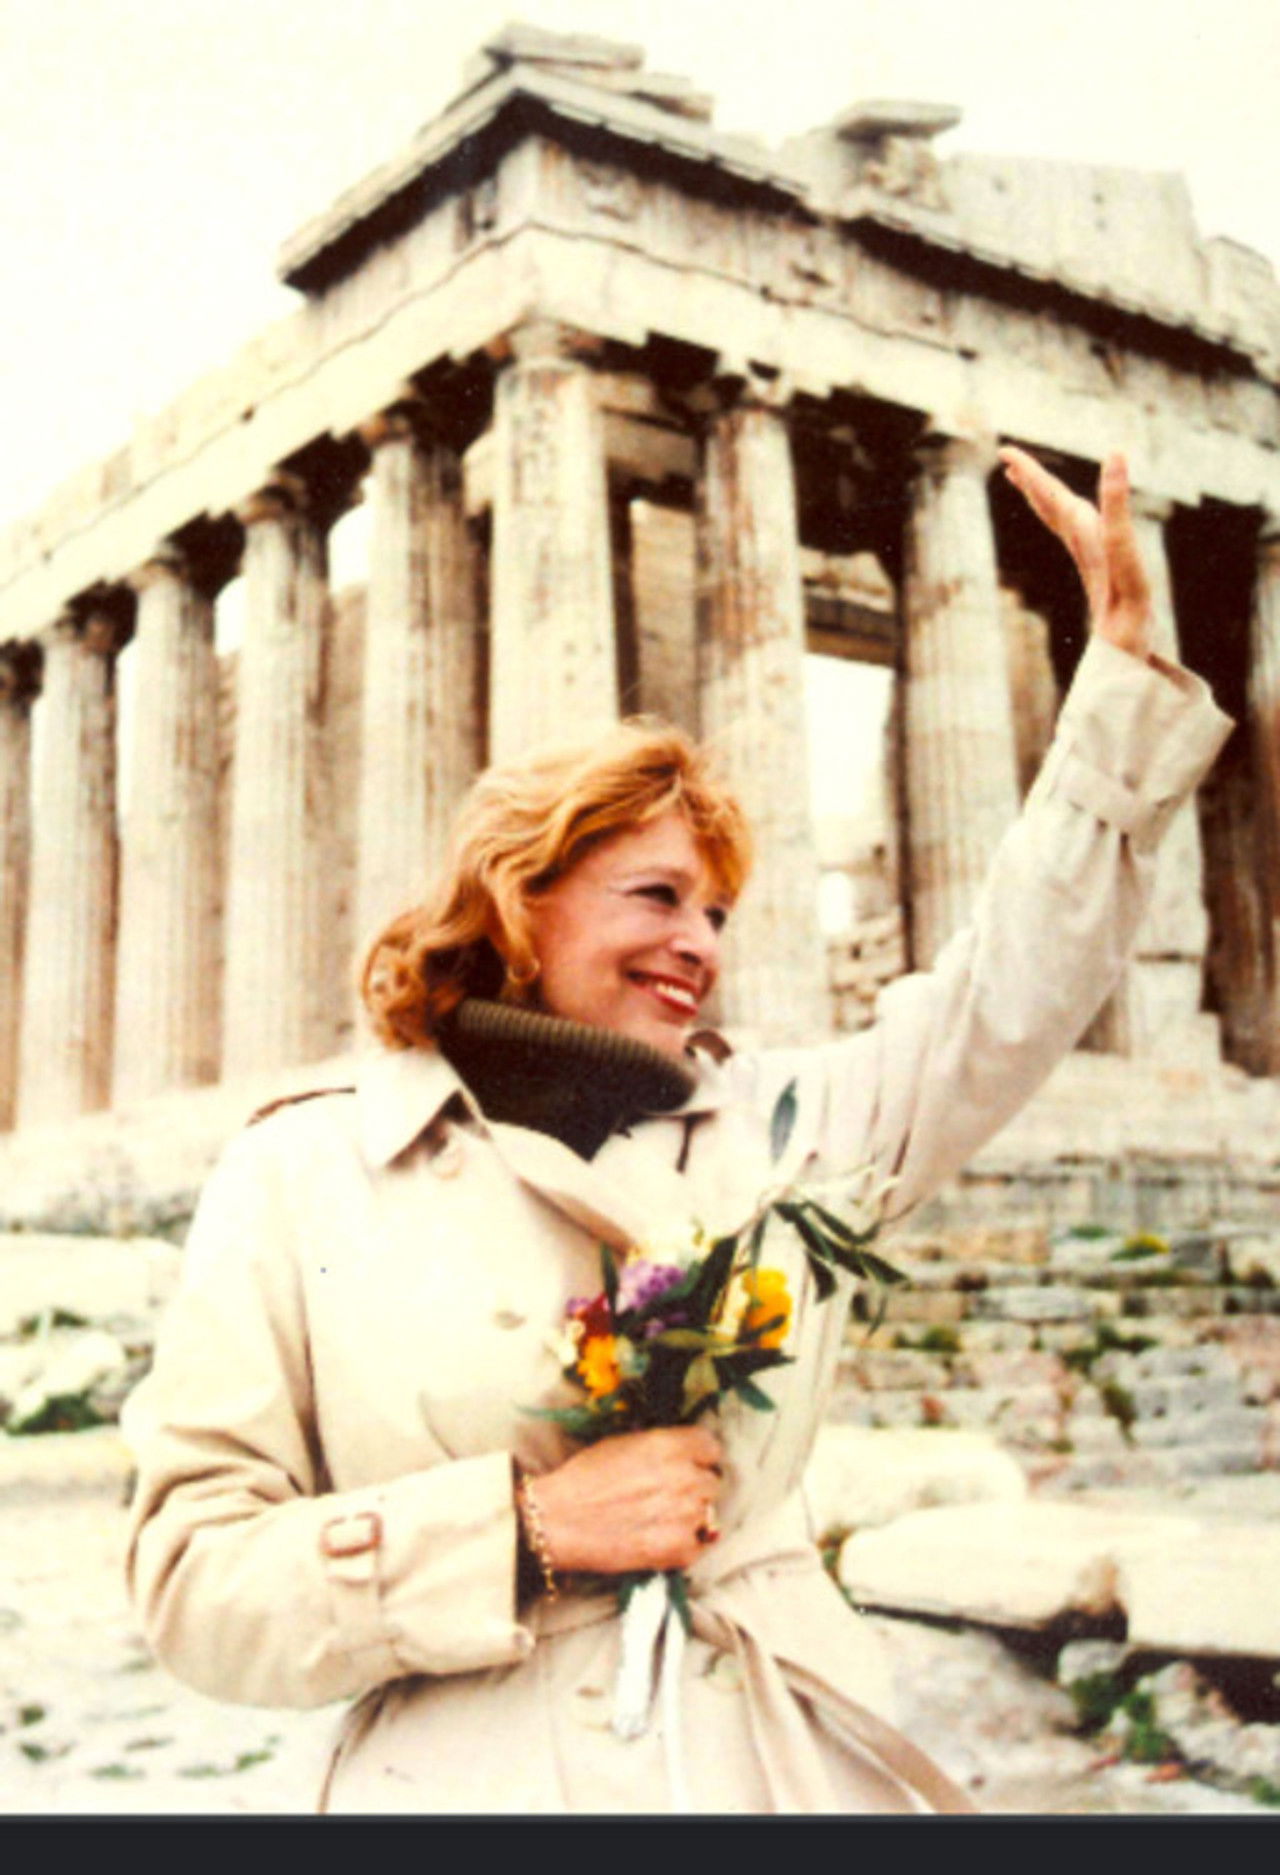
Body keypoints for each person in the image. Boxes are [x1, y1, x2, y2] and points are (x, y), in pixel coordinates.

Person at [122, 448, 1231, 1813]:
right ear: (519, 903)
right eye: (655, 898)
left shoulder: (790, 1129)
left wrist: (1118, 696)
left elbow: (1010, 989)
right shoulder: (301, 1173)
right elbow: (190, 1580)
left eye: (716, 913)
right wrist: (520, 1531)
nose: (699, 944)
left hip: (776, 1771)